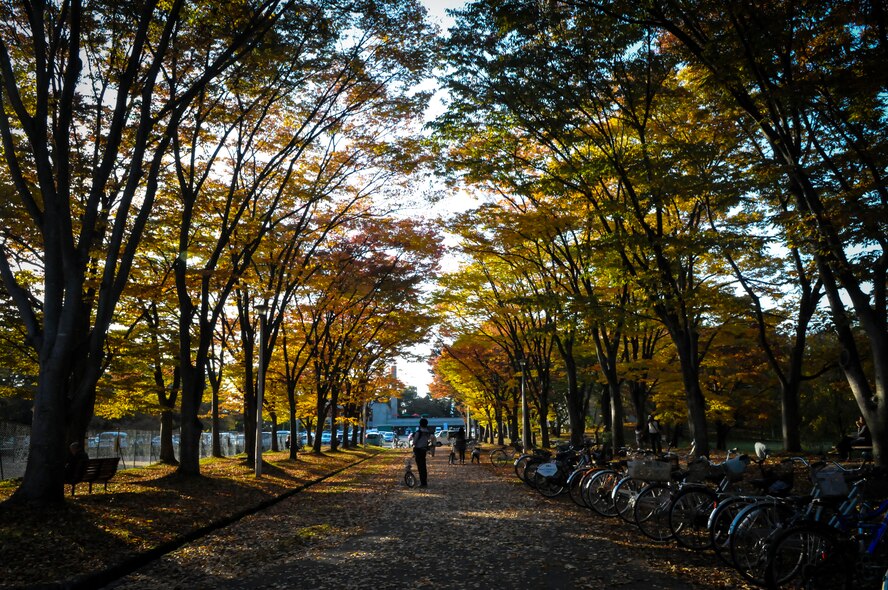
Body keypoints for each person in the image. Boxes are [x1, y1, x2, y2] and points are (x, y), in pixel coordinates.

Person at [412, 418, 432, 487]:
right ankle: (424, 482)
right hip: (424, 450)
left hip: (418, 450)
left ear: (420, 424)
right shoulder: (427, 432)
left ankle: (422, 483)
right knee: (423, 466)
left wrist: (413, 438)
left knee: (420, 467)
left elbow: (414, 442)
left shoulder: (419, 432)